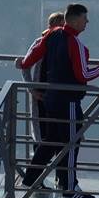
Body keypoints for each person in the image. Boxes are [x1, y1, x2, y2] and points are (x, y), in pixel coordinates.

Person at [17, 3, 99, 198]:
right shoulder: (76, 44)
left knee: (50, 141)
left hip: (51, 99)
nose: (87, 22)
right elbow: (83, 75)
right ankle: (69, 189)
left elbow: (29, 60)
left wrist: (23, 65)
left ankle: (29, 180)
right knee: (71, 143)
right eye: (85, 18)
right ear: (76, 20)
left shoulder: (51, 35)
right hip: (68, 101)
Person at [25, 12, 65, 143]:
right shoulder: (40, 42)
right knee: (41, 130)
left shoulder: (66, 43)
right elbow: (25, 65)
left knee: (58, 130)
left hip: (58, 93)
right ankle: (40, 151)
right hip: (41, 91)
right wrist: (32, 90)